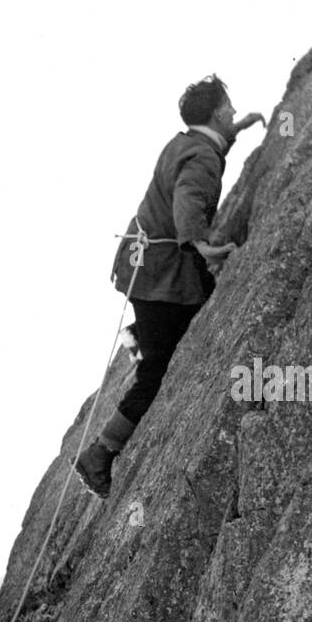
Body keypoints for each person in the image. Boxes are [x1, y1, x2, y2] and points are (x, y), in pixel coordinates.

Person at [74, 75, 264, 498]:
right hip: (160, 272)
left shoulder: (185, 143)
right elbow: (189, 195)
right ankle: (99, 454)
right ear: (216, 112)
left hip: (143, 264)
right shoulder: (199, 156)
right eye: (229, 109)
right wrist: (200, 242)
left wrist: (238, 130)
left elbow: (203, 157)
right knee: (158, 368)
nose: (233, 111)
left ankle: (142, 336)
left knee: (182, 327)